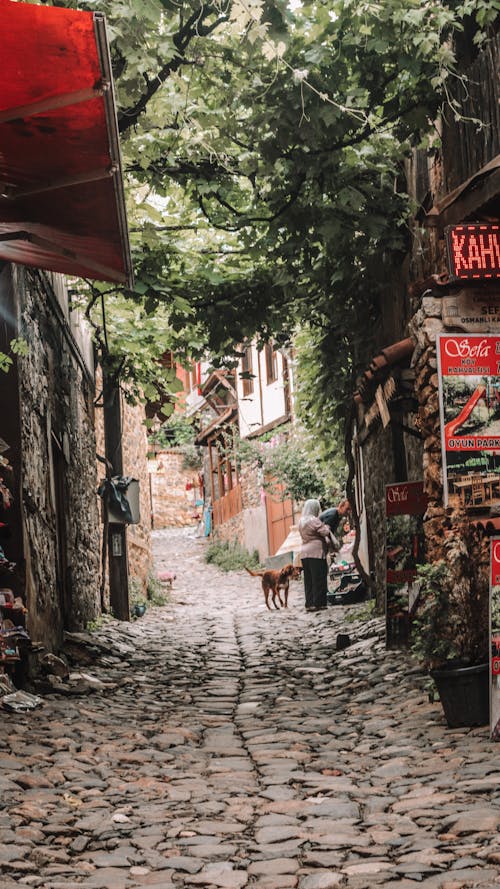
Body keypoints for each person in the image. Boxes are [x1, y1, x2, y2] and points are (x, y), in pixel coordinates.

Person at [298, 499, 335, 612]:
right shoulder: (314, 520)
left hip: (304, 552)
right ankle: (319, 603)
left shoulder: (301, 521)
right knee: (318, 578)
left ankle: (309, 603)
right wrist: (327, 528)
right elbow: (325, 532)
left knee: (308, 579)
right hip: (316, 552)